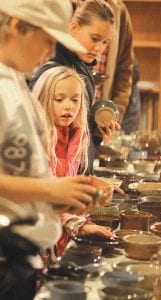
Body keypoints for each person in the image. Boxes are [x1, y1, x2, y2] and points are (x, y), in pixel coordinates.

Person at [0, 0, 111, 298]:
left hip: (23, 260)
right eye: (47, 39)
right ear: (17, 26)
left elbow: (18, 174)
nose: (50, 51)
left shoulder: (16, 82)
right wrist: (50, 191)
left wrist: (65, 197)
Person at [29, 0, 120, 174]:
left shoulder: (82, 69)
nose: (99, 48)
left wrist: (96, 132)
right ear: (73, 27)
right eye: (95, 39)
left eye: (105, 43)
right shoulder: (54, 72)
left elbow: (75, 136)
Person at [32, 66, 113, 258]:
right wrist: (77, 224)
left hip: (61, 233)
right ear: (43, 99)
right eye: (59, 99)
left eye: (75, 100)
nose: (69, 106)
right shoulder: (38, 140)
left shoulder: (77, 135)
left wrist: (89, 184)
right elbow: (42, 198)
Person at [90, 0, 134, 125]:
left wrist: (114, 115)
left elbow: (125, 71)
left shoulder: (120, 12)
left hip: (99, 115)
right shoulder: (70, 5)